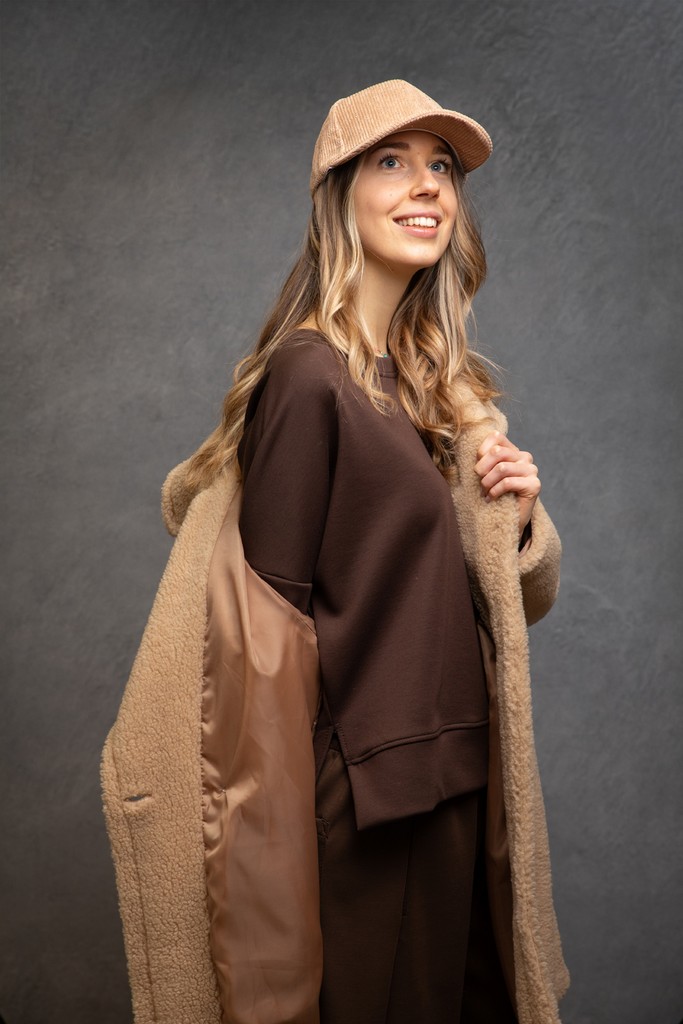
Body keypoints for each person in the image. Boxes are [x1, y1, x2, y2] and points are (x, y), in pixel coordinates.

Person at [102, 80, 568, 1024]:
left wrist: (511, 513)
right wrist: (269, 872)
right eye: (392, 162)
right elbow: (259, 657)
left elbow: (457, 594)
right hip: (369, 810)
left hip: (457, 782)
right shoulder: (307, 377)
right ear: (337, 195)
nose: (427, 186)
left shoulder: (429, 387)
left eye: (442, 168)